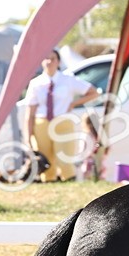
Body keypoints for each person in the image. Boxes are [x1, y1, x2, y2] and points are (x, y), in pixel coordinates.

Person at [23, 50, 99, 182]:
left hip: (62, 122)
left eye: (52, 59)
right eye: (46, 58)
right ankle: (48, 182)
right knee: (46, 161)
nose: (49, 62)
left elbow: (93, 92)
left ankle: (69, 180)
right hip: (42, 124)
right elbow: (30, 113)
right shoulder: (36, 83)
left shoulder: (68, 79)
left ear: (58, 62)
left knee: (65, 158)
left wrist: (73, 103)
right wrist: (28, 136)